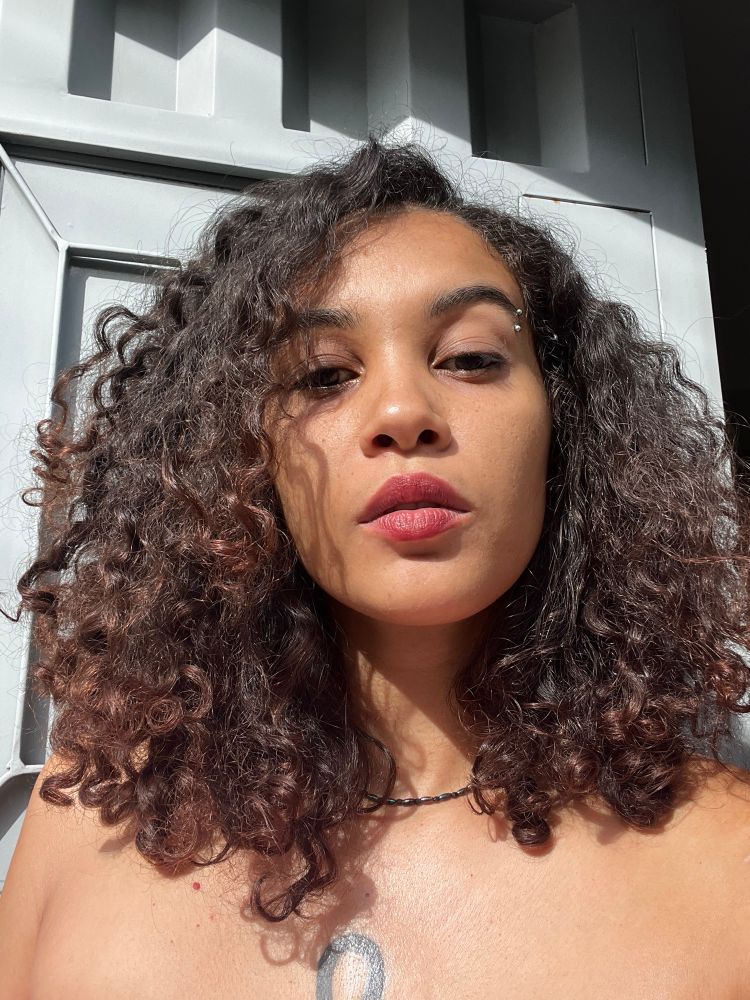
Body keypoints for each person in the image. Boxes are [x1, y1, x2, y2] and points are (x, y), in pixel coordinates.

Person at [2, 135, 750, 999]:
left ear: (566, 426)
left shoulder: (728, 866)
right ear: (238, 454)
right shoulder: (87, 816)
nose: (401, 410)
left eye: (470, 357)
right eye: (323, 375)